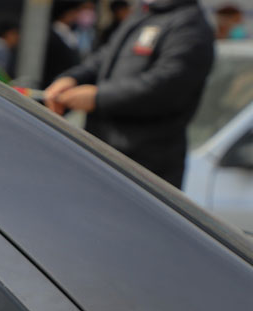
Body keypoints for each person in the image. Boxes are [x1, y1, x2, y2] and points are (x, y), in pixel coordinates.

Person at [43, 0, 214, 188]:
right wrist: (73, 78)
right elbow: (106, 55)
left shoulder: (189, 25)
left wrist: (98, 97)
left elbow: (165, 88)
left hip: (144, 166)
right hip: (105, 153)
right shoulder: (146, 13)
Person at [43, 0, 89, 86]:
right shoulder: (52, 36)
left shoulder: (70, 33)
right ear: (67, 13)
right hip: (53, 85)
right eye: (76, 11)